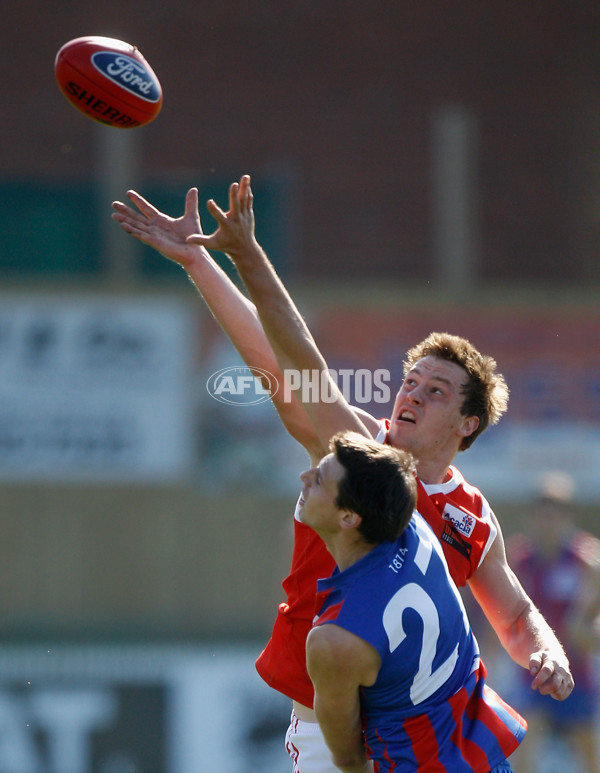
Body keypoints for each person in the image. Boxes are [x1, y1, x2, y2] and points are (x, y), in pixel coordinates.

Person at [112, 175, 573, 771]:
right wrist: (203, 264)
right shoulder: (355, 451)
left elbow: (513, 614)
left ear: (468, 424)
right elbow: (286, 356)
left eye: (435, 391)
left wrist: (545, 651)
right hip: (341, 729)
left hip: (443, 726)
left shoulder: (473, 517)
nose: (410, 394)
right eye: (409, 381)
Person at [505, 472, 600, 773]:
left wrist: (585, 628)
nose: (548, 522)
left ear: (566, 516)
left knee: (589, 759)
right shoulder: (519, 559)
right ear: (534, 517)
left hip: (577, 675)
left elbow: (589, 626)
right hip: (534, 675)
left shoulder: (586, 560)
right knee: (525, 755)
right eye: (542, 514)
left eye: (555, 514)